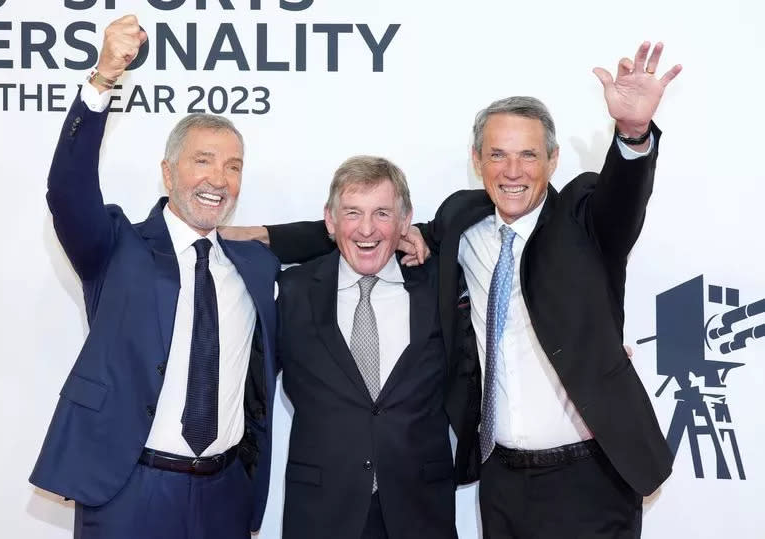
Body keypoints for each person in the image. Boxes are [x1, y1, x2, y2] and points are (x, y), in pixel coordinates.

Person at [238, 42, 682, 538]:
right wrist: (266, 237)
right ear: (477, 160)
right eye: (497, 155)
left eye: (527, 155)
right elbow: (372, 229)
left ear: (553, 159)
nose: (512, 172)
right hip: (501, 480)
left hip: (589, 476)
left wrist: (633, 134)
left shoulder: (585, 217)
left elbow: (623, 202)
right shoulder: (462, 221)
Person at [29, 15, 279, 539]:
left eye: (233, 166)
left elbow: (338, 236)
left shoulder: (255, 267)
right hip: (129, 491)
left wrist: (413, 234)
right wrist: (101, 82)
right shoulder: (116, 246)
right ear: (168, 173)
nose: (219, 178)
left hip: (225, 493)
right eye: (203, 161)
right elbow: (67, 192)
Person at [277, 156, 457, 539]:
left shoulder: (441, 286)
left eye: (382, 213)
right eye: (353, 213)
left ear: (406, 220)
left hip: (421, 512)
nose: (366, 229)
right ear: (330, 219)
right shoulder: (292, 292)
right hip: (322, 513)